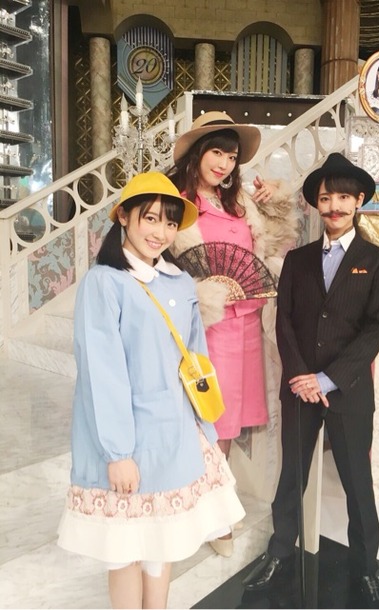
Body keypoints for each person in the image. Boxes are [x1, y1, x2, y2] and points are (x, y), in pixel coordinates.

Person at [57, 172, 245, 609]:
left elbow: (196, 360)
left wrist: (205, 430)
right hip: (127, 438)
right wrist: (118, 453)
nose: (161, 232)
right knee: (126, 549)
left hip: (174, 433)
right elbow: (102, 373)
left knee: (162, 544)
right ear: (124, 216)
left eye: (170, 222)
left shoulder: (179, 281)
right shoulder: (104, 282)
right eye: (151, 218)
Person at [242, 153, 379, 609]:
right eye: (326, 198)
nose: (334, 207)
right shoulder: (298, 259)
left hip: (347, 392)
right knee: (291, 476)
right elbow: (284, 322)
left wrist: (327, 380)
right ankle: (279, 553)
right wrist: (300, 377)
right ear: (315, 204)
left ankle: (366, 567)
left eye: (343, 198)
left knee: (357, 482)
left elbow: (375, 330)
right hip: (299, 389)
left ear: (359, 201)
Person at [167, 111, 299, 557]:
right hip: (209, 324)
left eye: (231, 156)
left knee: (228, 422)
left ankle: (215, 501)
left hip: (246, 322)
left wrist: (273, 205)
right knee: (209, 418)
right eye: (217, 153)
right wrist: (203, 295)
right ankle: (206, 509)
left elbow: (272, 250)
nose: (224, 163)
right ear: (197, 153)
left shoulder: (239, 200)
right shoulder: (178, 203)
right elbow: (166, 267)